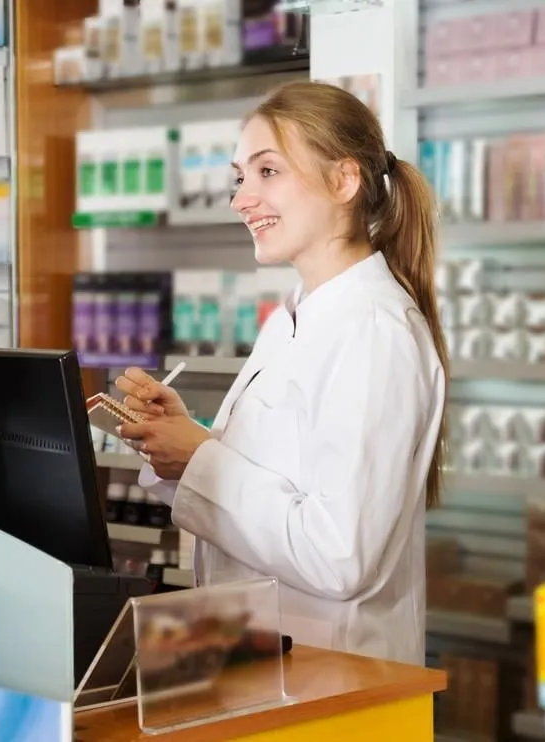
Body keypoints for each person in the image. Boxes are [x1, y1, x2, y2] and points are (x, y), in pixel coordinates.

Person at [115, 80, 448, 667]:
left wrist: (199, 459)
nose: (242, 199)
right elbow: (277, 476)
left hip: (336, 679)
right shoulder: (296, 315)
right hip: (255, 660)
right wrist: (184, 437)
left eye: (268, 172)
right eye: (240, 177)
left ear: (343, 181)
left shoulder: (372, 330)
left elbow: (339, 555)